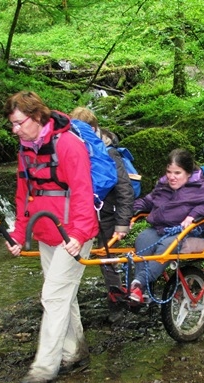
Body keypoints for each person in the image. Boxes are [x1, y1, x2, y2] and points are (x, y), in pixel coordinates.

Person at [3, 91, 99, 383]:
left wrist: (80, 234)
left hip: (73, 234)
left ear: (36, 117)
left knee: (54, 296)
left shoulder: (69, 144)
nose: (15, 130)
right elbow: (23, 195)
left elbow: (83, 191)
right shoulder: (25, 149)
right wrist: (19, 234)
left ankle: (44, 368)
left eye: (19, 123)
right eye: (12, 125)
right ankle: (74, 351)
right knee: (63, 294)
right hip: (46, 232)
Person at [127, 149, 204, 303]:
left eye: (177, 173)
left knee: (166, 247)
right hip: (160, 228)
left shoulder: (203, 187)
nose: (171, 177)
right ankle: (141, 292)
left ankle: (137, 284)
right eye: (169, 172)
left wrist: (195, 213)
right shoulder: (163, 185)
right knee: (142, 239)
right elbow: (148, 201)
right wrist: (130, 212)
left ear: (188, 173)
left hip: (188, 232)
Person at [69, 107, 135, 295]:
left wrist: (122, 223)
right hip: (85, 213)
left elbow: (125, 188)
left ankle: (118, 304)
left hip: (107, 214)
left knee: (107, 261)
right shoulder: (76, 149)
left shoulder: (109, 153)